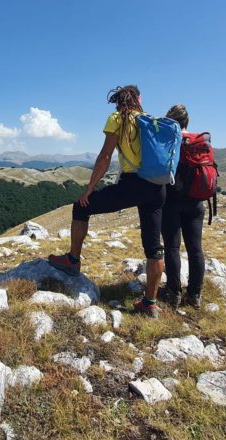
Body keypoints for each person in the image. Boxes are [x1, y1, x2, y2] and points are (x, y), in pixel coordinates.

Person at [48, 85, 166, 318]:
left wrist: (89, 189)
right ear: (139, 99)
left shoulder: (118, 118)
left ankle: (73, 260)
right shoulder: (150, 121)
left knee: (80, 207)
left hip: (133, 184)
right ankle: (150, 303)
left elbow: (105, 157)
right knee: (154, 247)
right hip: (158, 187)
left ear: (118, 102)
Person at [159, 104, 205, 308]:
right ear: (187, 122)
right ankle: (194, 294)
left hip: (172, 201)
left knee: (172, 247)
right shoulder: (199, 142)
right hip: (196, 202)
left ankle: (174, 292)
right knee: (196, 249)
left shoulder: (170, 142)